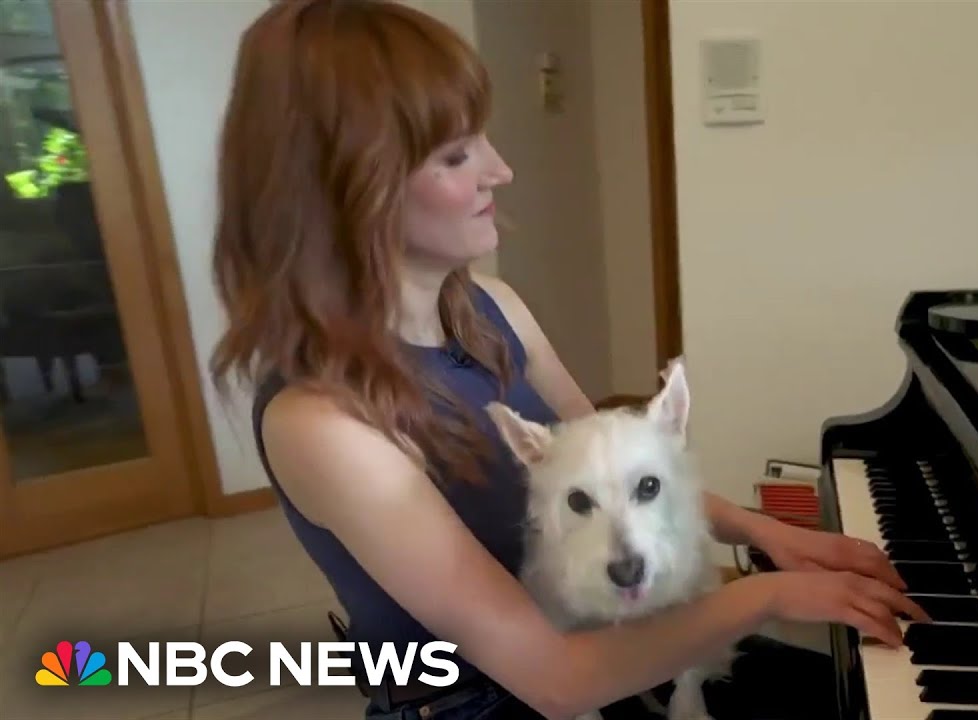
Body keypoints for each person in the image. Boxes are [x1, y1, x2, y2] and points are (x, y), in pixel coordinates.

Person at [208, 1, 927, 718]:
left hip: (606, 640)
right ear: (349, 190)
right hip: (493, 702)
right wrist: (768, 593)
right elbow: (556, 682)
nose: (502, 169)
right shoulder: (322, 425)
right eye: (458, 155)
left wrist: (774, 537)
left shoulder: (496, 309)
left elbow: (634, 473)